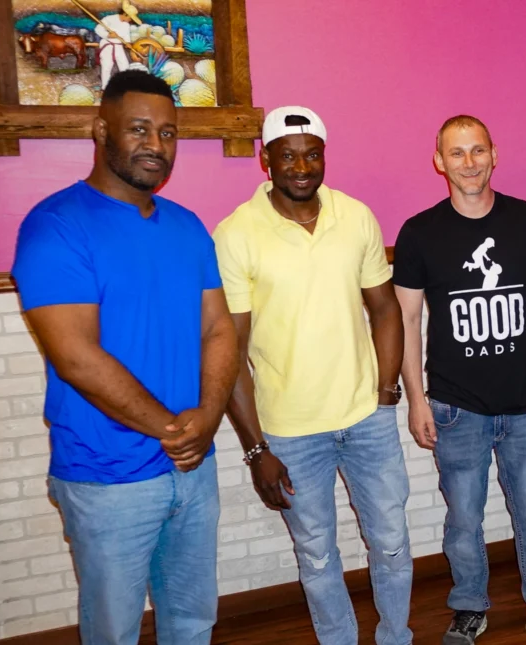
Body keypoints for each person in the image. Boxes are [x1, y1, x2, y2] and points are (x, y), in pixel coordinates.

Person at [10, 69, 238, 645]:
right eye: (139, 129)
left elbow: (219, 331)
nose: (156, 146)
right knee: (113, 632)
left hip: (192, 469)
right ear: (100, 129)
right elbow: (76, 357)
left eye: (167, 133)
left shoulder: (188, 227)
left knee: (191, 621)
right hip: (106, 476)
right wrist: (173, 428)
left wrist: (207, 419)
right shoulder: (56, 226)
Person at [212, 106, 412, 645]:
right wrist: (256, 449)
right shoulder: (235, 234)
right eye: (288, 155)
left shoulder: (356, 217)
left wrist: (386, 392)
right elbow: (230, 350)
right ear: (266, 161)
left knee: (391, 542)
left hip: (367, 420)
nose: (302, 166)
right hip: (292, 433)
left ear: (324, 155)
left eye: (313, 154)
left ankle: (397, 636)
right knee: (318, 553)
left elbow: (386, 309)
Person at [392, 115, 526, 645]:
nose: (468, 162)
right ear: (438, 161)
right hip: (455, 408)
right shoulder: (420, 232)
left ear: (495, 154)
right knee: (464, 522)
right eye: (456, 152)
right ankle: (469, 606)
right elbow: (405, 322)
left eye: (477, 151)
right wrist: (415, 400)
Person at [95, 1, 143, 89]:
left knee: (124, 65)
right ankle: (105, 88)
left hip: (118, 46)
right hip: (107, 46)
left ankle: (126, 86)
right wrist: (108, 35)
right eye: (130, 18)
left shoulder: (126, 25)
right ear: (125, 14)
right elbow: (98, 29)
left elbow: (126, 37)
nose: (130, 20)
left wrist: (128, 43)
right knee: (106, 66)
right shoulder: (108, 19)